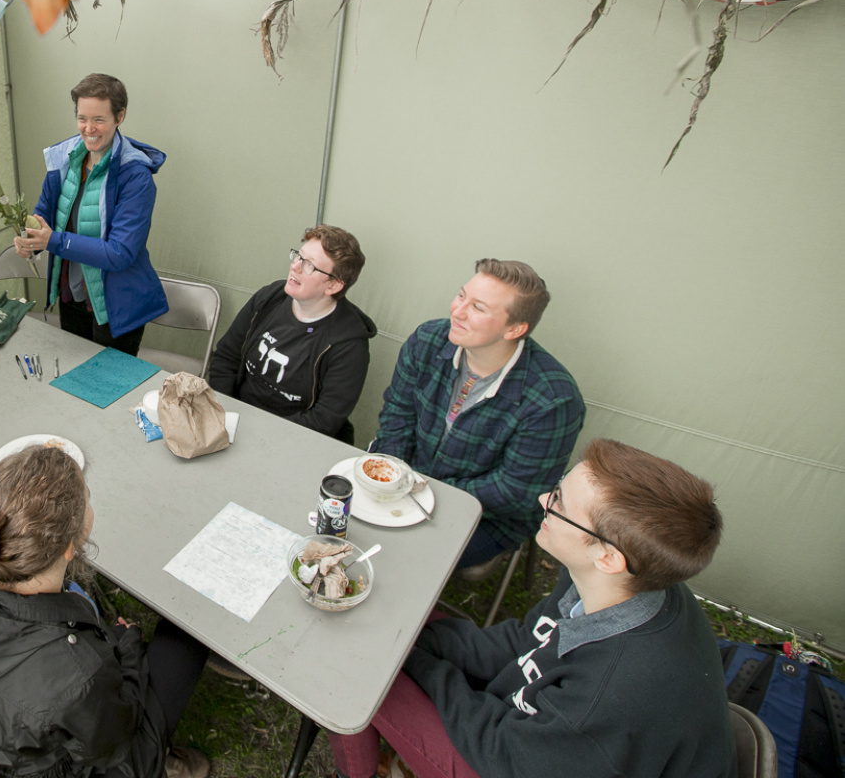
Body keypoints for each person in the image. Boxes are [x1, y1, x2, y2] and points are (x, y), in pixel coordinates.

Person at [328, 438, 734, 778]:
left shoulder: (609, 696)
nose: (543, 499)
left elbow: (502, 751)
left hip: (515, 760)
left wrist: (412, 663)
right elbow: (528, 640)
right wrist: (413, 641)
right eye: (557, 487)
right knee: (392, 623)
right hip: (544, 744)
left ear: (609, 557)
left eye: (558, 502)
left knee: (357, 673)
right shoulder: (621, 582)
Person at [0, 446, 212, 778]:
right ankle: (160, 759)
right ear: (70, 547)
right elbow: (114, 735)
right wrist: (130, 647)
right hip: (80, 760)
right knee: (188, 633)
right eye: (87, 498)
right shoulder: (77, 673)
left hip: (0, 734)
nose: (91, 504)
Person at [374, 259, 584, 569]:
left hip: (487, 517)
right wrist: (394, 475)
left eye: (478, 308)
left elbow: (515, 492)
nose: (457, 311)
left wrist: (422, 493)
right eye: (461, 296)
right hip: (407, 479)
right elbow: (397, 414)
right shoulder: (428, 340)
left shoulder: (553, 400)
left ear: (515, 328)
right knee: (346, 518)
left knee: (403, 557)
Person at [13, 73, 167, 356]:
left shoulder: (135, 176)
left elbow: (119, 253)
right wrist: (30, 241)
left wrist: (53, 241)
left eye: (99, 119)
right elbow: (44, 216)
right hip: (73, 296)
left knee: (109, 391)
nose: (89, 128)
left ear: (119, 117)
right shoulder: (65, 159)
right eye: (82, 118)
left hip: (117, 305)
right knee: (73, 382)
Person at [207, 226, 376, 443]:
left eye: (309, 265)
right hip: (236, 421)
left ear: (333, 285)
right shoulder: (270, 298)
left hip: (295, 440)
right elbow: (226, 358)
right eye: (298, 256)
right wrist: (226, 414)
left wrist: (260, 435)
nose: (294, 267)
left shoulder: (349, 344)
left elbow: (323, 420)